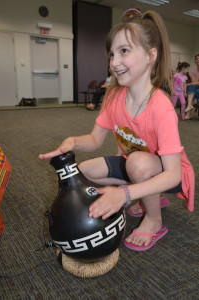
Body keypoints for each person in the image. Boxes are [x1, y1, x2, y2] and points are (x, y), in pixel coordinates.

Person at [39, 9, 195, 251]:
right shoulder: (113, 97)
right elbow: (94, 139)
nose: (114, 62)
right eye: (112, 54)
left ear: (150, 56)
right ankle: (146, 196)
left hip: (169, 172)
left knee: (138, 165)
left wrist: (124, 193)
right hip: (135, 163)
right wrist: (74, 141)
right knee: (81, 173)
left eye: (124, 51)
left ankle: (154, 219)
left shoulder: (161, 105)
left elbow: (173, 174)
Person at [185, 54, 199, 119]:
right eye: (197, 59)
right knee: (191, 87)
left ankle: (189, 111)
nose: (198, 60)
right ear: (195, 61)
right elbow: (194, 83)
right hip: (196, 90)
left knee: (191, 88)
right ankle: (190, 106)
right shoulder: (193, 71)